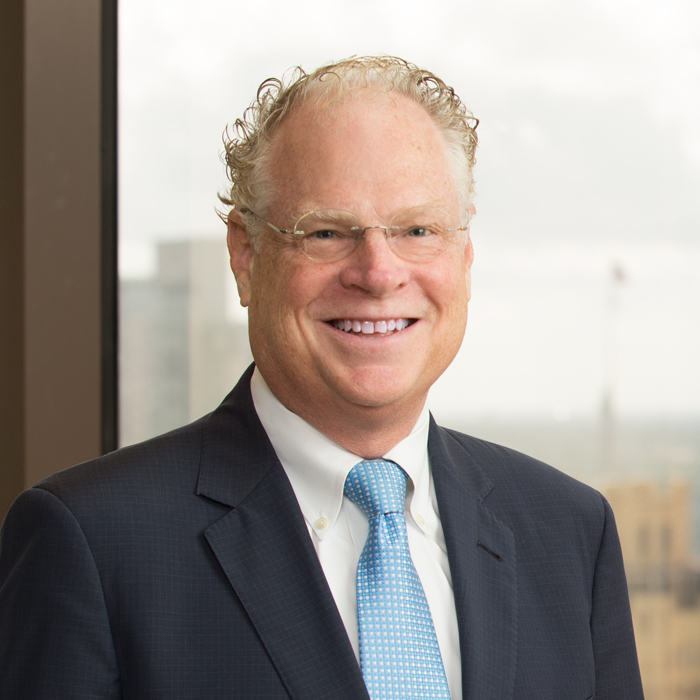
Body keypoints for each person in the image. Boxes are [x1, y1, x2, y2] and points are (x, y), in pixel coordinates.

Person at [0, 56, 643, 700]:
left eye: (418, 229)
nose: (378, 272)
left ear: (465, 255)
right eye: (328, 232)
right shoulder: (92, 543)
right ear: (245, 255)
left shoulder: (569, 534)